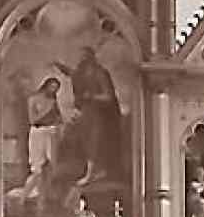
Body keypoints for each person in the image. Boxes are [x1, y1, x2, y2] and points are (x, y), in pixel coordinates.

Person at [55, 46, 123, 186]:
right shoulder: (82, 72)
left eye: (84, 57)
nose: (81, 60)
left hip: (99, 113)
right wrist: (60, 66)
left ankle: (93, 172)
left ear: (91, 58)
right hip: (86, 112)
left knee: (93, 141)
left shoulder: (100, 73)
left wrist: (91, 96)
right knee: (79, 138)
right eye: (80, 58)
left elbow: (108, 96)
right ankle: (85, 170)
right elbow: (73, 74)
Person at [13, 76, 62, 205]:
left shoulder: (53, 101)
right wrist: (47, 109)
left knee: (52, 166)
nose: (53, 91)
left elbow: (59, 118)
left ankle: (43, 197)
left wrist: (58, 124)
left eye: (56, 89)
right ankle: (23, 198)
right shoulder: (33, 99)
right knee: (37, 169)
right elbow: (33, 120)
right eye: (51, 87)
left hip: (51, 133)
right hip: (37, 133)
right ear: (45, 86)